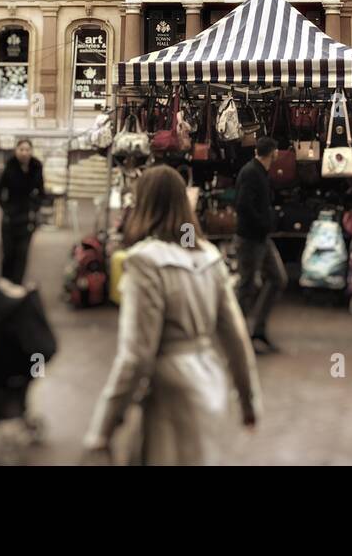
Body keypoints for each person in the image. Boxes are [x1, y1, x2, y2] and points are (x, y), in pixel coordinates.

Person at [84, 164, 260, 465]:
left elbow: (136, 356)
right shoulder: (209, 256)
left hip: (167, 391)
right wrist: (248, 400)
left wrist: (103, 428)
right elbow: (236, 337)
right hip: (209, 381)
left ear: (144, 204)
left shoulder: (144, 261)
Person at [234, 136, 286, 354]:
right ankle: (238, 336)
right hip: (250, 238)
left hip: (261, 238)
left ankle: (258, 331)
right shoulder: (251, 172)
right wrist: (263, 223)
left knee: (277, 278)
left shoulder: (259, 172)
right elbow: (243, 205)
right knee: (246, 286)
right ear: (272, 152)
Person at [0, 138, 43, 286]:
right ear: (16, 151)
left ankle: (17, 285)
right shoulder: (10, 166)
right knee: (8, 253)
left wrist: (34, 207)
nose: (24, 153)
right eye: (21, 149)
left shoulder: (37, 166)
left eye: (27, 149)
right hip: (10, 218)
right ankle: (4, 283)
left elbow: (41, 191)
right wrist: (6, 208)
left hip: (28, 218)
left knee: (22, 255)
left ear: (31, 151)